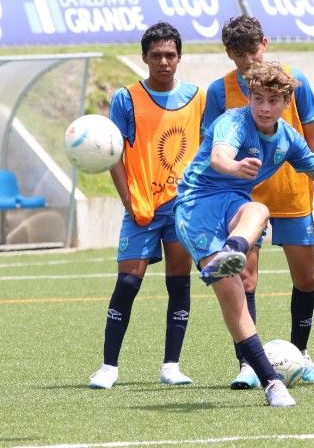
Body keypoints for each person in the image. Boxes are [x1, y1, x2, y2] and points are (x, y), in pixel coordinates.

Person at [175, 61, 314, 407]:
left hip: (232, 202)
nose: (264, 108)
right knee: (232, 292)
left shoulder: (287, 139)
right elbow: (220, 155)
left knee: (259, 210)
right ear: (249, 98)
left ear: (286, 103)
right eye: (258, 99)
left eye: (273, 100)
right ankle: (271, 381)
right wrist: (235, 166)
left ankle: (232, 249)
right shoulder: (233, 122)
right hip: (196, 206)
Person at [203, 15, 314, 389]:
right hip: (243, 198)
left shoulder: (295, 80)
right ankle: (247, 362)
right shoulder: (218, 91)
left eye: (253, 50)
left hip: (292, 191)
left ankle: (300, 354)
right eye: (239, 54)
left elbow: (313, 134)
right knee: (245, 276)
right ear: (229, 54)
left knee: (305, 276)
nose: (248, 61)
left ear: (266, 42)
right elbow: (211, 146)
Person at [88, 22, 206, 389]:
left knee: (179, 283)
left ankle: (171, 365)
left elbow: (205, 150)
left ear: (180, 57)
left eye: (170, 55)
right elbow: (114, 155)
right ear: (144, 58)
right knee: (127, 282)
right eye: (156, 55)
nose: (164, 62)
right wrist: (129, 200)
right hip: (141, 207)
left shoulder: (198, 98)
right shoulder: (126, 98)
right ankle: (109, 366)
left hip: (181, 207)